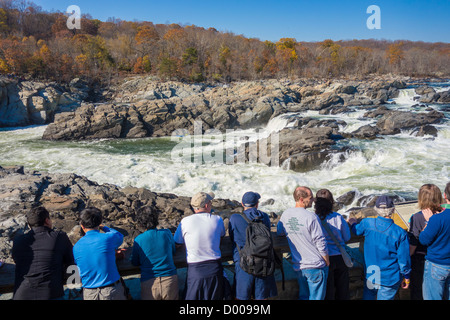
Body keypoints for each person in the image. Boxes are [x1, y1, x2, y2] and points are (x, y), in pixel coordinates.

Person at [348, 195, 411, 300]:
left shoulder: (367, 223)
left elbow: (356, 230)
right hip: (390, 276)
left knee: (369, 296)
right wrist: (407, 277)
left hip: (372, 273)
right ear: (393, 210)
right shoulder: (400, 233)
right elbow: (404, 260)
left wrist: (352, 223)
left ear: (376, 209)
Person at [277, 186, 330, 300]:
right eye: (310, 198)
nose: (313, 200)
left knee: (304, 296)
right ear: (301, 199)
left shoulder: (286, 214)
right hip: (315, 265)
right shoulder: (311, 217)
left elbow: (280, 232)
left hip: (299, 266)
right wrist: (326, 260)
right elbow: (320, 241)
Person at [12, 206, 74, 300]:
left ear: (29, 225)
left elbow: (17, 260)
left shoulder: (17, 241)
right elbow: (71, 262)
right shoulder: (59, 237)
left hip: (21, 294)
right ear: (47, 221)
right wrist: (74, 287)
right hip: (51, 293)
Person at [174, 192, 226, 300]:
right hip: (214, 267)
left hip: (195, 269)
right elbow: (221, 236)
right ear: (207, 205)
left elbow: (177, 243)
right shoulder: (217, 220)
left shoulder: (185, 222)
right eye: (210, 202)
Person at [228, 191, 278, 300]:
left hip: (243, 262)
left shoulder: (235, 218)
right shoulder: (264, 217)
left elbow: (232, 237)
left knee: (242, 297)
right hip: (263, 261)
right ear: (257, 204)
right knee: (261, 296)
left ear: (242, 203)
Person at [73, 207, 126, 300]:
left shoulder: (76, 247)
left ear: (82, 225)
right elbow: (119, 235)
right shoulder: (108, 239)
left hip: (89, 292)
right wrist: (103, 227)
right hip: (111, 290)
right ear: (100, 221)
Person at [131, 206, 178, 300]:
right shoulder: (167, 233)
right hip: (169, 279)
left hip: (149, 282)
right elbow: (173, 251)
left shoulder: (139, 240)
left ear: (140, 222)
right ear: (156, 219)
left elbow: (135, 262)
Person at [408, 184, 445, 299]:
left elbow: (412, 247)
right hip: (443, 258)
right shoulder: (444, 214)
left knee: (418, 292)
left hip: (422, 261)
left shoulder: (417, 217)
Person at [314, 189, 351, 300]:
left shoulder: (313, 218)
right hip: (340, 257)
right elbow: (347, 237)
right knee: (342, 290)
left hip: (323, 258)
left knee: (328, 291)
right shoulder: (338, 217)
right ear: (331, 202)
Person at [418, 184, 450, 300]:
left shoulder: (437, 219)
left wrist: (428, 221)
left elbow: (423, 240)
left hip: (437, 264)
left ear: (445, 195)